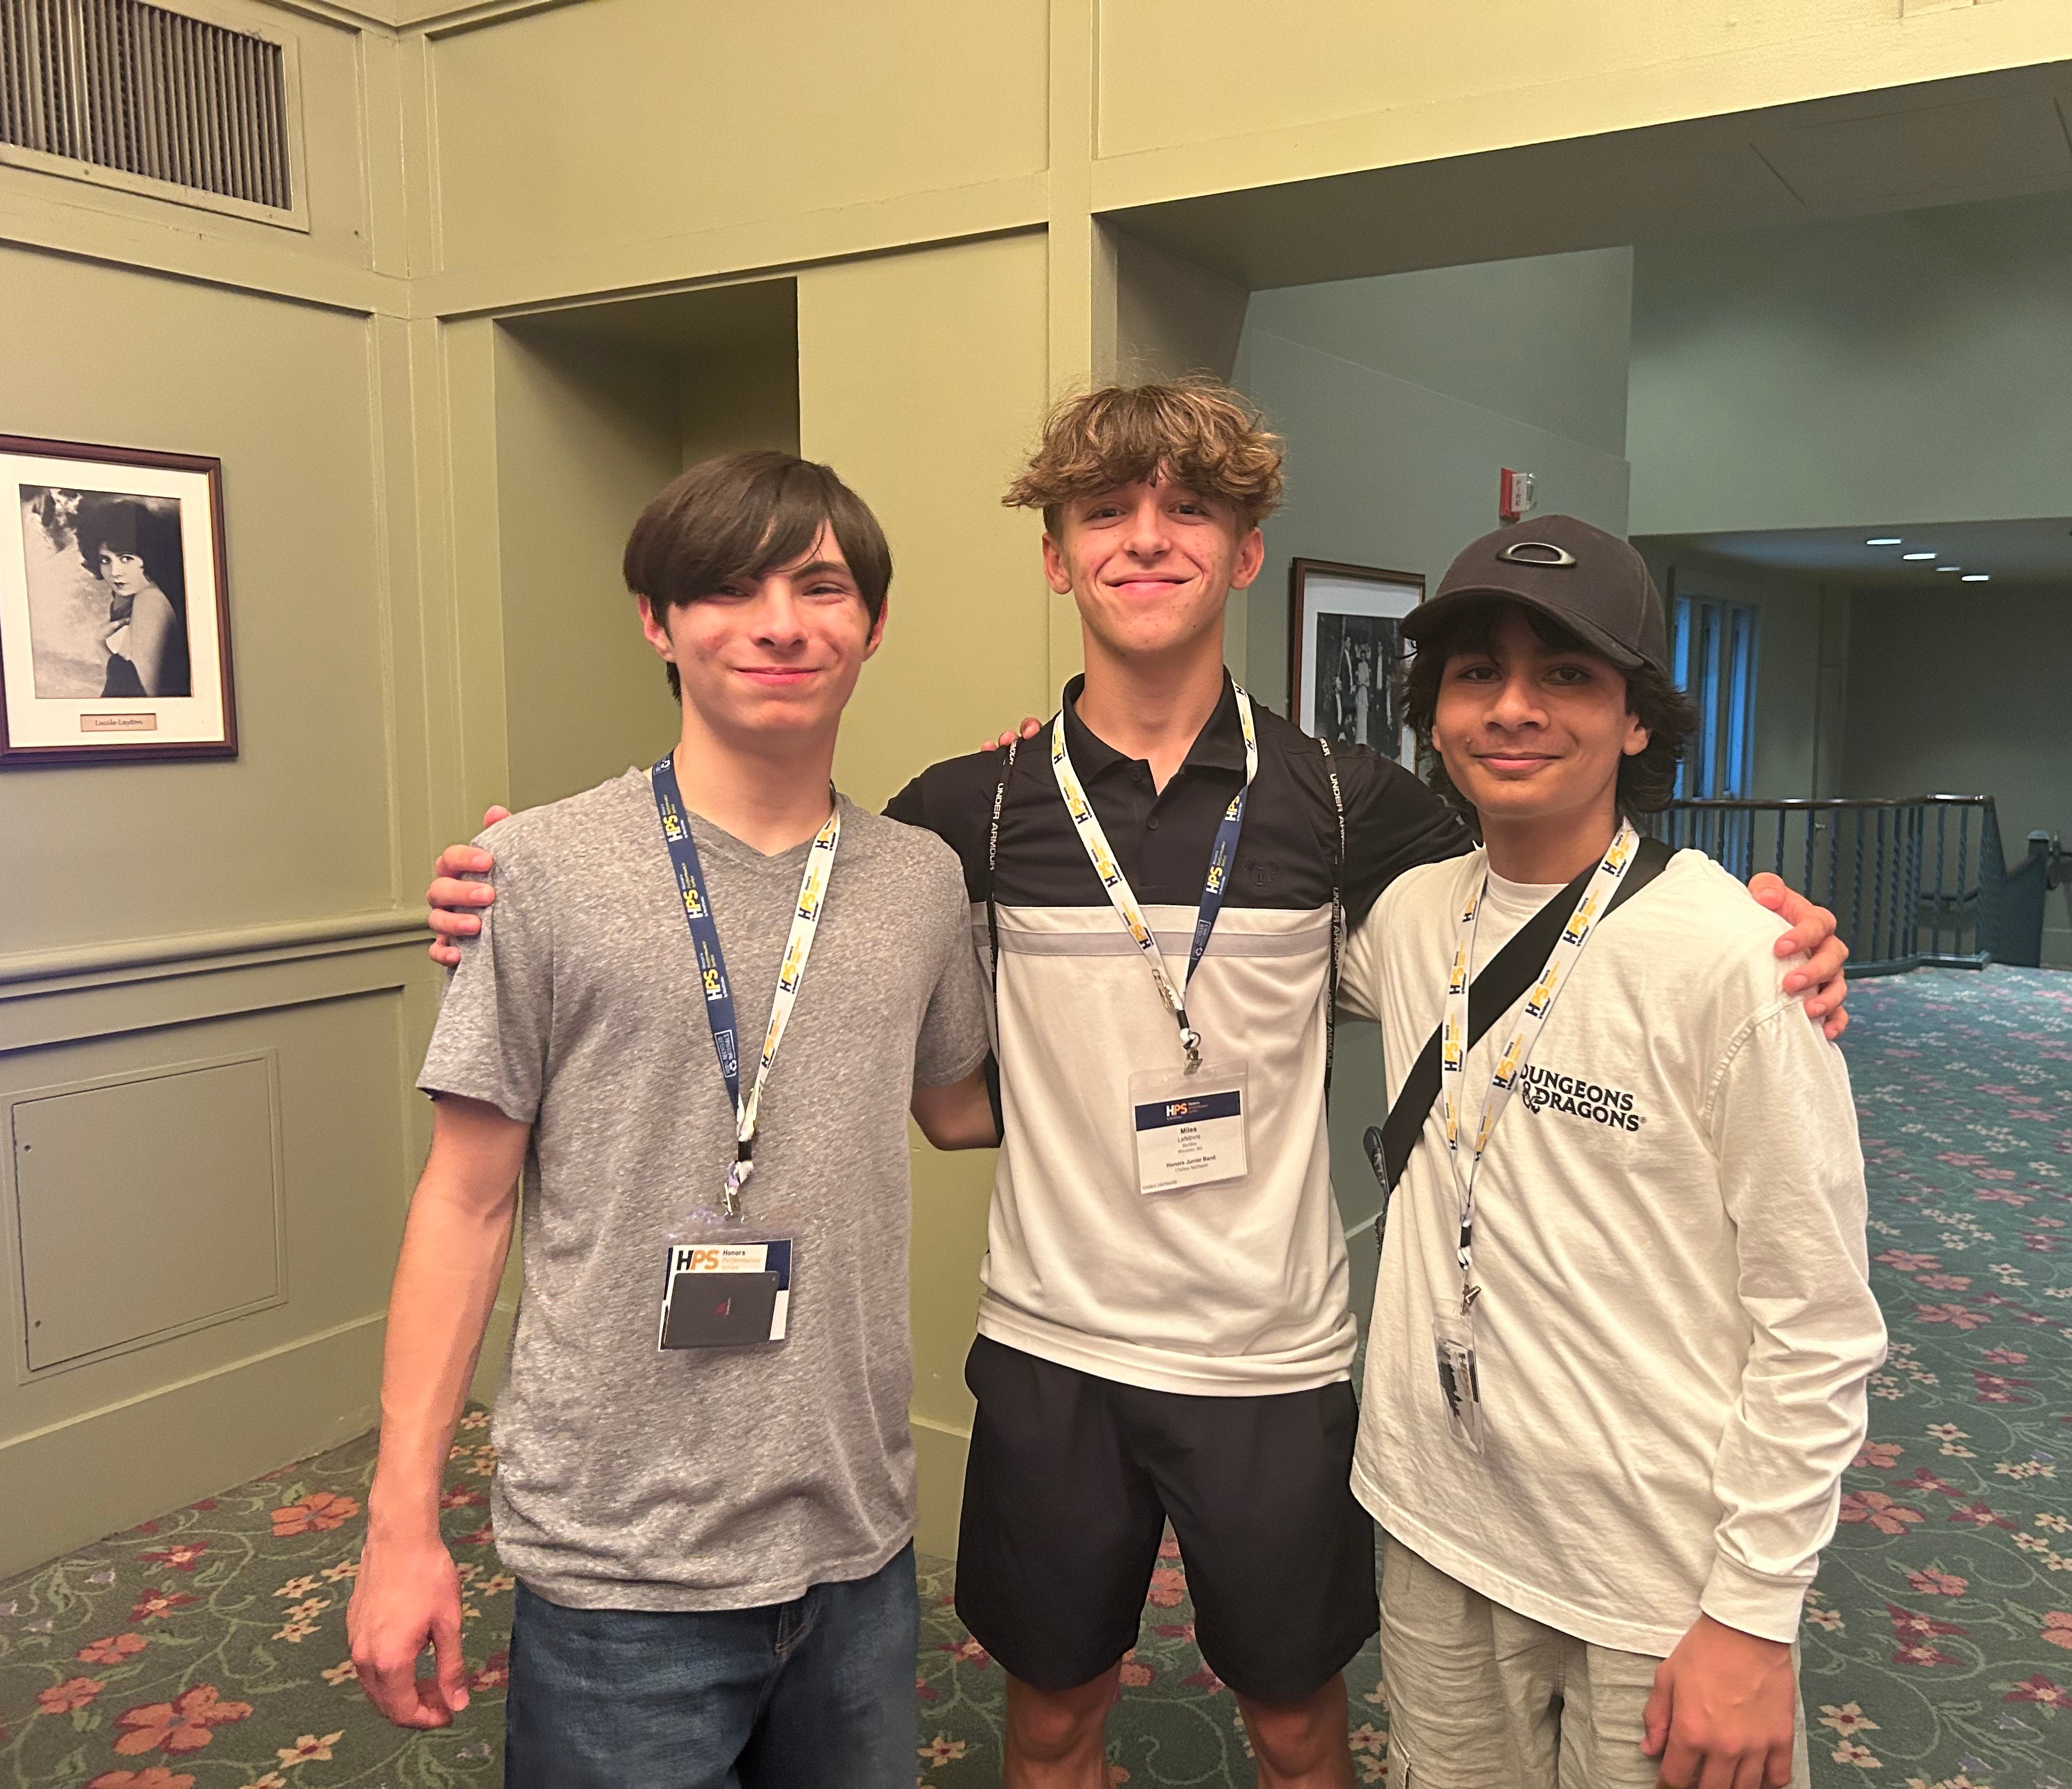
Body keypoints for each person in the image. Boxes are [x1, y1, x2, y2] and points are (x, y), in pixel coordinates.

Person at [425, 381, 1853, 1789]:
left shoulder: (1350, 803)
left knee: (1300, 1732)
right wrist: (509, 881)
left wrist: (1774, 936)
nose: (1148, 538)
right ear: (1057, 559)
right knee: (1050, 1730)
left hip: (1273, 1363)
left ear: (1247, 553)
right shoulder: (968, 812)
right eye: (1106, 511)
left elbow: (1549, 897)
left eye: (1192, 512)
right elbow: (790, 899)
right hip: (1053, 1355)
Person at [348, 451, 997, 1788]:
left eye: (821, 586)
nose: (780, 623)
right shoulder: (535, 870)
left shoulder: (922, 882)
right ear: (657, 620)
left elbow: (958, 1106)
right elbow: (463, 1201)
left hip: (854, 1541)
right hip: (617, 1564)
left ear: (875, 624)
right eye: (729, 588)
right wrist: (399, 1524)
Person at [1336, 516, 1885, 1789]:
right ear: (1436, 713)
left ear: (1636, 718)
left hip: (1657, 1575)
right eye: (1478, 673)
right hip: (1436, 1519)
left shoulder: (1737, 960)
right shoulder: (1411, 917)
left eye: (1567, 674)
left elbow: (1818, 1323)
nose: (1513, 708)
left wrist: (1753, 1614)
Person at [73, 495, 190, 697]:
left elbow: (140, 694)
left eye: (126, 558)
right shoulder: (131, 599)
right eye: (105, 560)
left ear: (147, 555)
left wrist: (99, 644)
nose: (115, 572)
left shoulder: (149, 600)